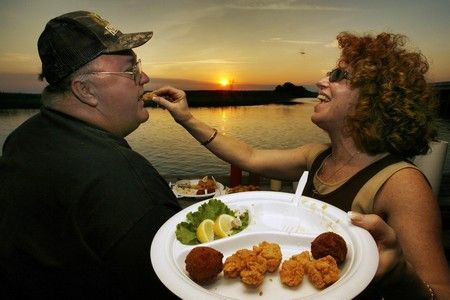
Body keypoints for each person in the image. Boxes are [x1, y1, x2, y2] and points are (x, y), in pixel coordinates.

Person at [151, 32, 450, 298]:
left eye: (338, 75)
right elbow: (249, 156)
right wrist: (187, 118)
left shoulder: (403, 185)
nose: (321, 81)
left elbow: (440, 292)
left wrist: (399, 274)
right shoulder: (317, 155)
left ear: (373, 99)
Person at [0, 11, 181, 299]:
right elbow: (179, 282)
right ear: (85, 90)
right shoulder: (124, 182)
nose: (144, 77)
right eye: (130, 69)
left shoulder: (21, 139)